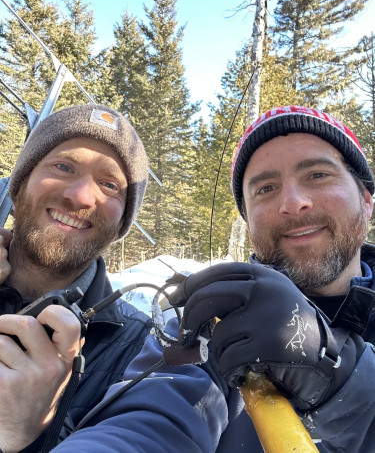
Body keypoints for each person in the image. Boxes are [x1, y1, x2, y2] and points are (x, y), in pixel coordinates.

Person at [48, 105, 375, 453]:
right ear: (249, 225)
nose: (293, 203)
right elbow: (148, 421)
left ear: (367, 200)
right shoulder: (212, 322)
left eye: (317, 175)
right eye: (265, 188)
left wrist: (345, 380)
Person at [0, 103, 152, 452]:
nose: (80, 196)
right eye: (63, 166)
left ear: (121, 223)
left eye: (110, 185)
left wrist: (27, 438)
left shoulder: (141, 355)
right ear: (21, 183)